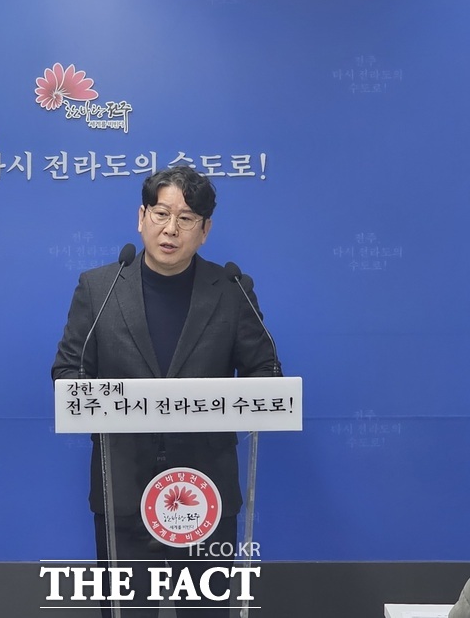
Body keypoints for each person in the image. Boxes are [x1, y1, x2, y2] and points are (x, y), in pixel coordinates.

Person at [52, 165, 280, 617]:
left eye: (186, 218)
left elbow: (266, 374)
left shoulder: (232, 291)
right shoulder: (98, 289)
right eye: (161, 213)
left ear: (205, 230)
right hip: (123, 490)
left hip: (205, 494)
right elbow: (67, 374)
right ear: (142, 217)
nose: (171, 228)